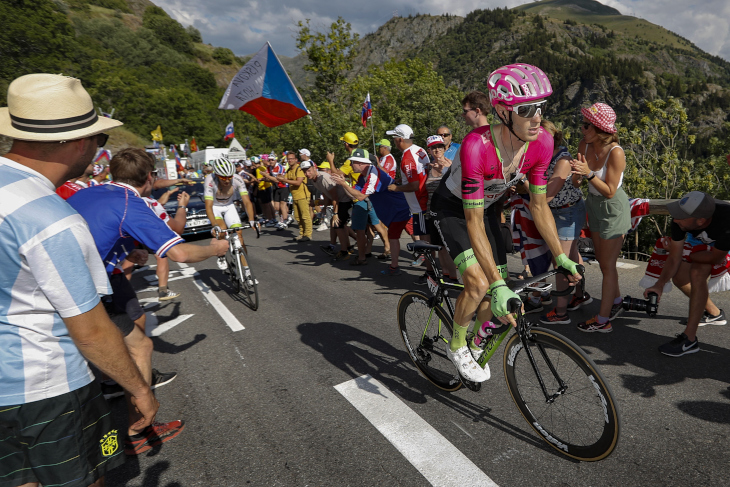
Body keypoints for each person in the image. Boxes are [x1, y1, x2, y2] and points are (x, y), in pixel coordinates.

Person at [0, 73, 157, 486]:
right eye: (99, 140)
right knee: (89, 477)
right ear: (78, 142)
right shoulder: (51, 218)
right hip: (46, 387)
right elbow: (90, 331)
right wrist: (139, 390)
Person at [68, 148, 229, 455]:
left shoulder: (91, 191)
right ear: (149, 177)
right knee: (128, 351)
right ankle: (134, 428)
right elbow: (179, 252)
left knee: (136, 345)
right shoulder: (132, 204)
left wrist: (124, 253)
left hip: (71, 280)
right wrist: (214, 249)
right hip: (87, 291)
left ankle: (124, 420)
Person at [432, 64, 581, 383]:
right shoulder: (476, 146)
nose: (537, 117)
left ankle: (474, 343)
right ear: (502, 111)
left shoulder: (542, 143)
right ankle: (456, 345)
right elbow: (470, 220)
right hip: (455, 210)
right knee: (480, 282)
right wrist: (496, 285)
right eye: (526, 109)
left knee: (497, 289)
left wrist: (561, 255)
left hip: (485, 209)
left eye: (540, 108)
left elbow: (539, 205)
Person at [570, 102, 631, 333]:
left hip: (612, 206)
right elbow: (578, 180)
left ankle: (603, 320)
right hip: (593, 204)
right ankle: (615, 302)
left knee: (607, 266)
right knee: (604, 262)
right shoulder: (584, 145)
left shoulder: (616, 153)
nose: (582, 128)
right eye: (583, 123)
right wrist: (577, 177)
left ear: (599, 128)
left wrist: (588, 174)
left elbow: (610, 190)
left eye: (587, 125)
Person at [645, 192, 729, 356]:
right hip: (702, 239)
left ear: (700, 220)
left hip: (723, 244)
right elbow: (674, 258)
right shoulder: (681, 220)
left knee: (698, 272)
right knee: (680, 278)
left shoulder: (726, 221)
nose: (675, 220)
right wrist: (659, 285)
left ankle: (689, 339)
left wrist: (688, 255)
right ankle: (715, 314)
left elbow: (715, 257)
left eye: (681, 217)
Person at [538, 120, 590, 324]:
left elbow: (549, 194)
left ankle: (560, 312)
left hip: (566, 212)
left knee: (560, 259)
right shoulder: (546, 155)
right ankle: (580, 295)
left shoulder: (563, 160)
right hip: (565, 211)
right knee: (572, 254)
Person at [332, 151, 411, 269]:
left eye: (352, 162)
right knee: (395, 236)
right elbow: (354, 196)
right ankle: (395, 266)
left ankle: (419, 263)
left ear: (360, 163)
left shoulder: (373, 175)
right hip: (393, 210)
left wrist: (344, 184)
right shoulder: (363, 176)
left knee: (414, 234)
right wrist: (344, 183)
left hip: (399, 209)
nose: (350, 165)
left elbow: (360, 197)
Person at [386, 124, 431, 277]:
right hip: (423, 200)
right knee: (425, 240)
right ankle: (430, 271)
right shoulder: (419, 149)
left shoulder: (407, 157)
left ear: (400, 139)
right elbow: (419, 173)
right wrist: (402, 179)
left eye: (394, 139)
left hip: (419, 204)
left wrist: (396, 188)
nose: (393, 142)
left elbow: (414, 185)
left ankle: (430, 274)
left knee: (425, 242)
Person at [204, 157, 259, 272]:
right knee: (222, 229)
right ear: (217, 175)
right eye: (223, 177)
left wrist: (252, 219)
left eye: (229, 177)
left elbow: (247, 201)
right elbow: (208, 206)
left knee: (239, 235)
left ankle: (247, 271)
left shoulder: (238, 179)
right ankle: (221, 256)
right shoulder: (210, 180)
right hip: (215, 207)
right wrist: (214, 225)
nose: (227, 180)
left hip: (229, 206)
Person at [277, 152, 312, 241]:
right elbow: (283, 181)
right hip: (295, 196)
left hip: (303, 195)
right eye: (288, 159)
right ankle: (302, 234)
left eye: (292, 158)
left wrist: (284, 179)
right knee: (297, 217)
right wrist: (269, 176)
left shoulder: (299, 169)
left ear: (296, 159)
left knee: (305, 216)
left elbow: (298, 182)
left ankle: (308, 235)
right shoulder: (289, 170)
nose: (290, 160)